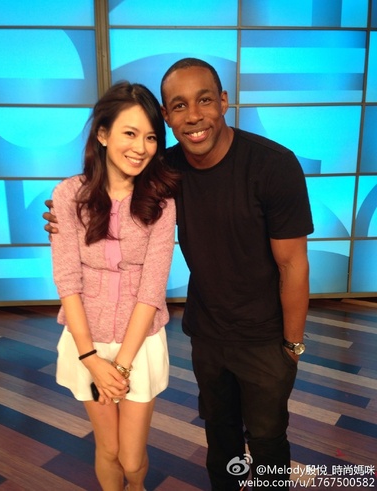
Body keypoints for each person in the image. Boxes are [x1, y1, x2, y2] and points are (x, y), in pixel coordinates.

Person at [45, 59, 313, 491]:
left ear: (223, 101)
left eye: (204, 100)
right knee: (220, 434)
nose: (194, 116)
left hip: (264, 336)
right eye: (179, 106)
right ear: (167, 116)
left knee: (266, 440)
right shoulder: (164, 170)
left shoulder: (271, 165)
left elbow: (293, 264)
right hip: (208, 331)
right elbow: (102, 196)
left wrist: (293, 344)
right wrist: (63, 211)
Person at [50, 81, 178, 491]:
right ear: (103, 135)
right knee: (107, 449)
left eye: (151, 137)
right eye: (130, 133)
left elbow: (152, 289)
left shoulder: (161, 202)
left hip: (139, 343)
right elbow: (67, 281)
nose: (141, 147)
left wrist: (120, 367)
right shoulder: (68, 194)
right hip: (85, 341)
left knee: (131, 456)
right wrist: (91, 359)